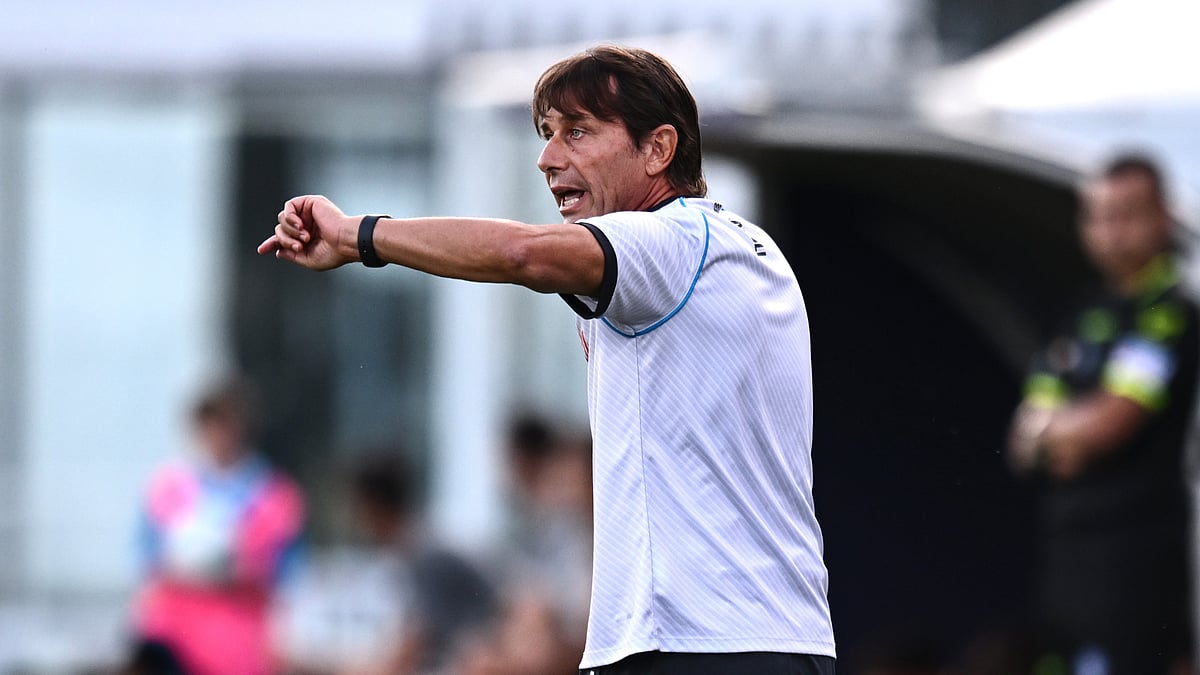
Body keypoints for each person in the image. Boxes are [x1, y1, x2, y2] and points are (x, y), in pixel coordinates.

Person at [259, 45, 836, 674]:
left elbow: (520, 254)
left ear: (658, 149)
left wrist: (356, 235)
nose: (547, 158)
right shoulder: (742, 248)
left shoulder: (669, 241)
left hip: (697, 644)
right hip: (763, 638)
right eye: (547, 134)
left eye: (578, 132)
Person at [1007, 154, 1198, 674]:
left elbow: (1113, 422)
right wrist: (1061, 435)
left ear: (1162, 216)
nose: (1110, 232)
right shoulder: (1080, 314)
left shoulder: (1170, 311)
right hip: (1067, 571)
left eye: (1126, 215)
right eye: (1098, 216)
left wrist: (1063, 433)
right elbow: (1024, 440)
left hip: (1139, 575)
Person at [130, 374, 306, 675]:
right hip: (175, 639)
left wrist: (239, 569)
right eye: (213, 425)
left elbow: (290, 571)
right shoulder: (168, 487)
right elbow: (145, 556)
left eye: (228, 425)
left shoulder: (273, 494)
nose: (220, 436)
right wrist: (185, 565)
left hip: (239, 644)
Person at [272, 451, 497, 675]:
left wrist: (318, 666)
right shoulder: (410, 555)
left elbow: (405, 656)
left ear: (374, 506)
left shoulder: (425, 558)